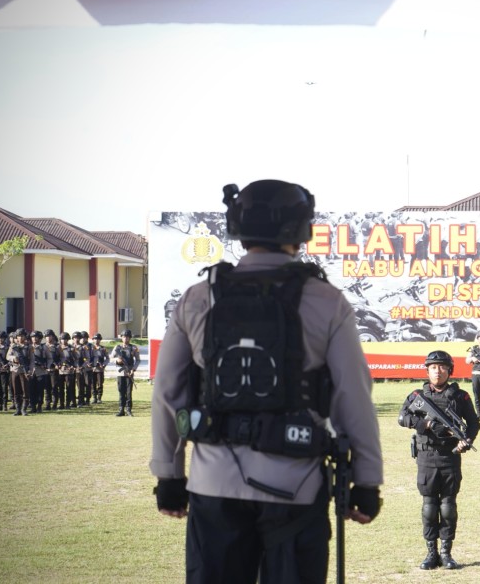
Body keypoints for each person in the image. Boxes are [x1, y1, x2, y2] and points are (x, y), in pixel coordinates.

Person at [150, 179, 383, 583]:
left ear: (237, 225)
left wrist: (168, 475)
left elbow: (168, 392)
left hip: (213, 484)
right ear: (301, 229)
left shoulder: (197, 297)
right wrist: (366, 481)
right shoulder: (326, 301)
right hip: (296, 484)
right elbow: (353, 395)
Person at [398, 350, 480, 570]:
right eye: (433, 367)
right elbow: (402, 417)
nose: (437, 371)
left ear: (449, 370)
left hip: (450, 456)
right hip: (426, 457)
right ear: (427, 370)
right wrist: (424, 424)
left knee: (448, 506)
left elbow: (473, 423)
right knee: (429, 505)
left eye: (442, 367)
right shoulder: (417, 395)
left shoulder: (460, 396)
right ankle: (430, 553)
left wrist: (466, 441)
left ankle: (446, 553)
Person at [111, 329, 140, 417]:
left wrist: (133, 369)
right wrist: (117, 360)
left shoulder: (134, 348)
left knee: (128, 392)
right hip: (120, 372)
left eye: (127, 337)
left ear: (130, 338)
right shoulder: (117, 347)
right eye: (124, 337)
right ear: (121, 338)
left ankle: (128, 410)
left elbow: (138, 360)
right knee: (121, 391)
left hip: (129, 372)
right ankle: (121, 409)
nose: (126, 339)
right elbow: (111, 358)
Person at [6, 329, 31, 416]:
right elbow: (7, 356)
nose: (20, 338)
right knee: (16, 390)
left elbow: (32, 360)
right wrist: (13, 358)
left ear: (25, 337)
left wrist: (30, 371)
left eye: (22, 336)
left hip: (24, 371)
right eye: (19, 336)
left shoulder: (29, 347)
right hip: (15, 370)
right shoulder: (13, 346)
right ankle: (18, 409)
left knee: (25, 390)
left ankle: (24, 409)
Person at [89, 333, 110, 404]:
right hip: (92, 369)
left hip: (100, 369)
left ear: (100, 340)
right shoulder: (90, 348)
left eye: (98, 339)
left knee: (100, 383)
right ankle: (94, 398)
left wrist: (104, 365)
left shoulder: (103, 349)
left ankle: (99, 398)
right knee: (93, 384)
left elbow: (107, 358)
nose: (96, 341)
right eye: (95, 339)